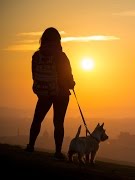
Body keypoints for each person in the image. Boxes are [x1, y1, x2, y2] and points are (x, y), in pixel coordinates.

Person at [25, 27, 75, 160]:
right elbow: (68, 77)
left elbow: (34, 75)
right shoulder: (61, 56)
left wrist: (44, 87)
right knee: (58, 123)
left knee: (37, 119)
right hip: (61, 94)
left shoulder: (37, 56)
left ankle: (30, 146)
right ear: (58, 40)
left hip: (44, 93)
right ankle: (58, 152)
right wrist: (71, 84)